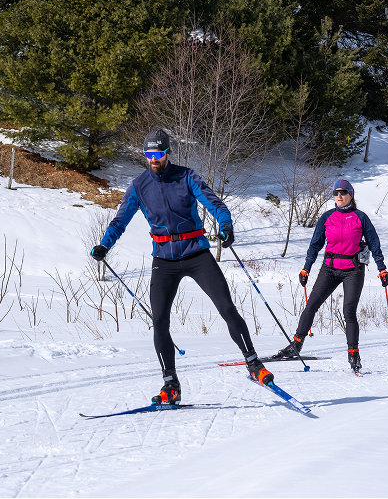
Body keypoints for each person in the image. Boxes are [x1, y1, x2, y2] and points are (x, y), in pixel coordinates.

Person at [91, 129, 273, 405]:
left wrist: (225, 226)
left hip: (196, 253)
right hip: (164, 260)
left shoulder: (187, 176)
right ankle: (170, 384)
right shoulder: (139, 186)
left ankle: (253, 364)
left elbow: (217, 205)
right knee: (160, 320)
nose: (154, 159)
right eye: (149, 155)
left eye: (159, 154)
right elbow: (120, 221)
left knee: (226, 308)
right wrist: (105, 245)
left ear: (167, 153)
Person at [276, 178, 388, 373]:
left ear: (350, 195)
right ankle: (296, 345)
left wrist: (382, 268)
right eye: (336, 193)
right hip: (329, 268)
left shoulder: (360, 217)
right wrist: (306, 268)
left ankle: (353, 353)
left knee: (349, 312)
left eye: (343, 192)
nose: (339, 196)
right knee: (311, 305)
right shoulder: (327, 217)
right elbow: (315, 244)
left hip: (353, 270)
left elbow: (374, 243)